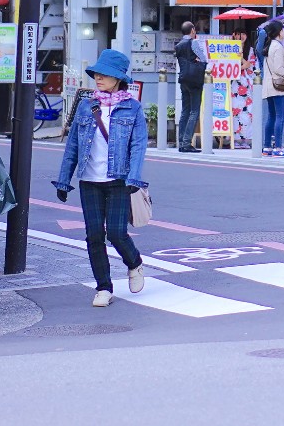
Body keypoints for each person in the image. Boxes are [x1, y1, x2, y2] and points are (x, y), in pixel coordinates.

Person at [55, 48, 150, 307]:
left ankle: (135, 263)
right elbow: (73, 145)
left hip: (119, 180)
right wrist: (65, 179)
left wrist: (134, 177)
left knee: (117, 233)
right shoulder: (87, 107)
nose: (98, 77)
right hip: (89, 181)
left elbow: (138, 146)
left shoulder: (133, 109)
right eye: (96, 73)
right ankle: (104, 287)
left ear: (118, 77)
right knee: (94, 234)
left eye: (104, 74)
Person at [173, 22, 208, 153]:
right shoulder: (193, 42)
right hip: (194, 80)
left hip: (183, 79)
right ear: (192, 30)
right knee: (194, 111)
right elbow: (204, 59)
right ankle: (187, 143)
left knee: (185, 111)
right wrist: (199, 61)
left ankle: (181, 141)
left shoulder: (178, 45)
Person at [261, 25, 284, 156]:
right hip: (278, 86)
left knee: (271, 116)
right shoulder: (278, 47)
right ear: (279, 32)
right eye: (283, 30)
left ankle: (267, 146)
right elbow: (278, 69)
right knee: (280, 117)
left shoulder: (269, 46)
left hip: (269, 86)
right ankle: (278, 148)